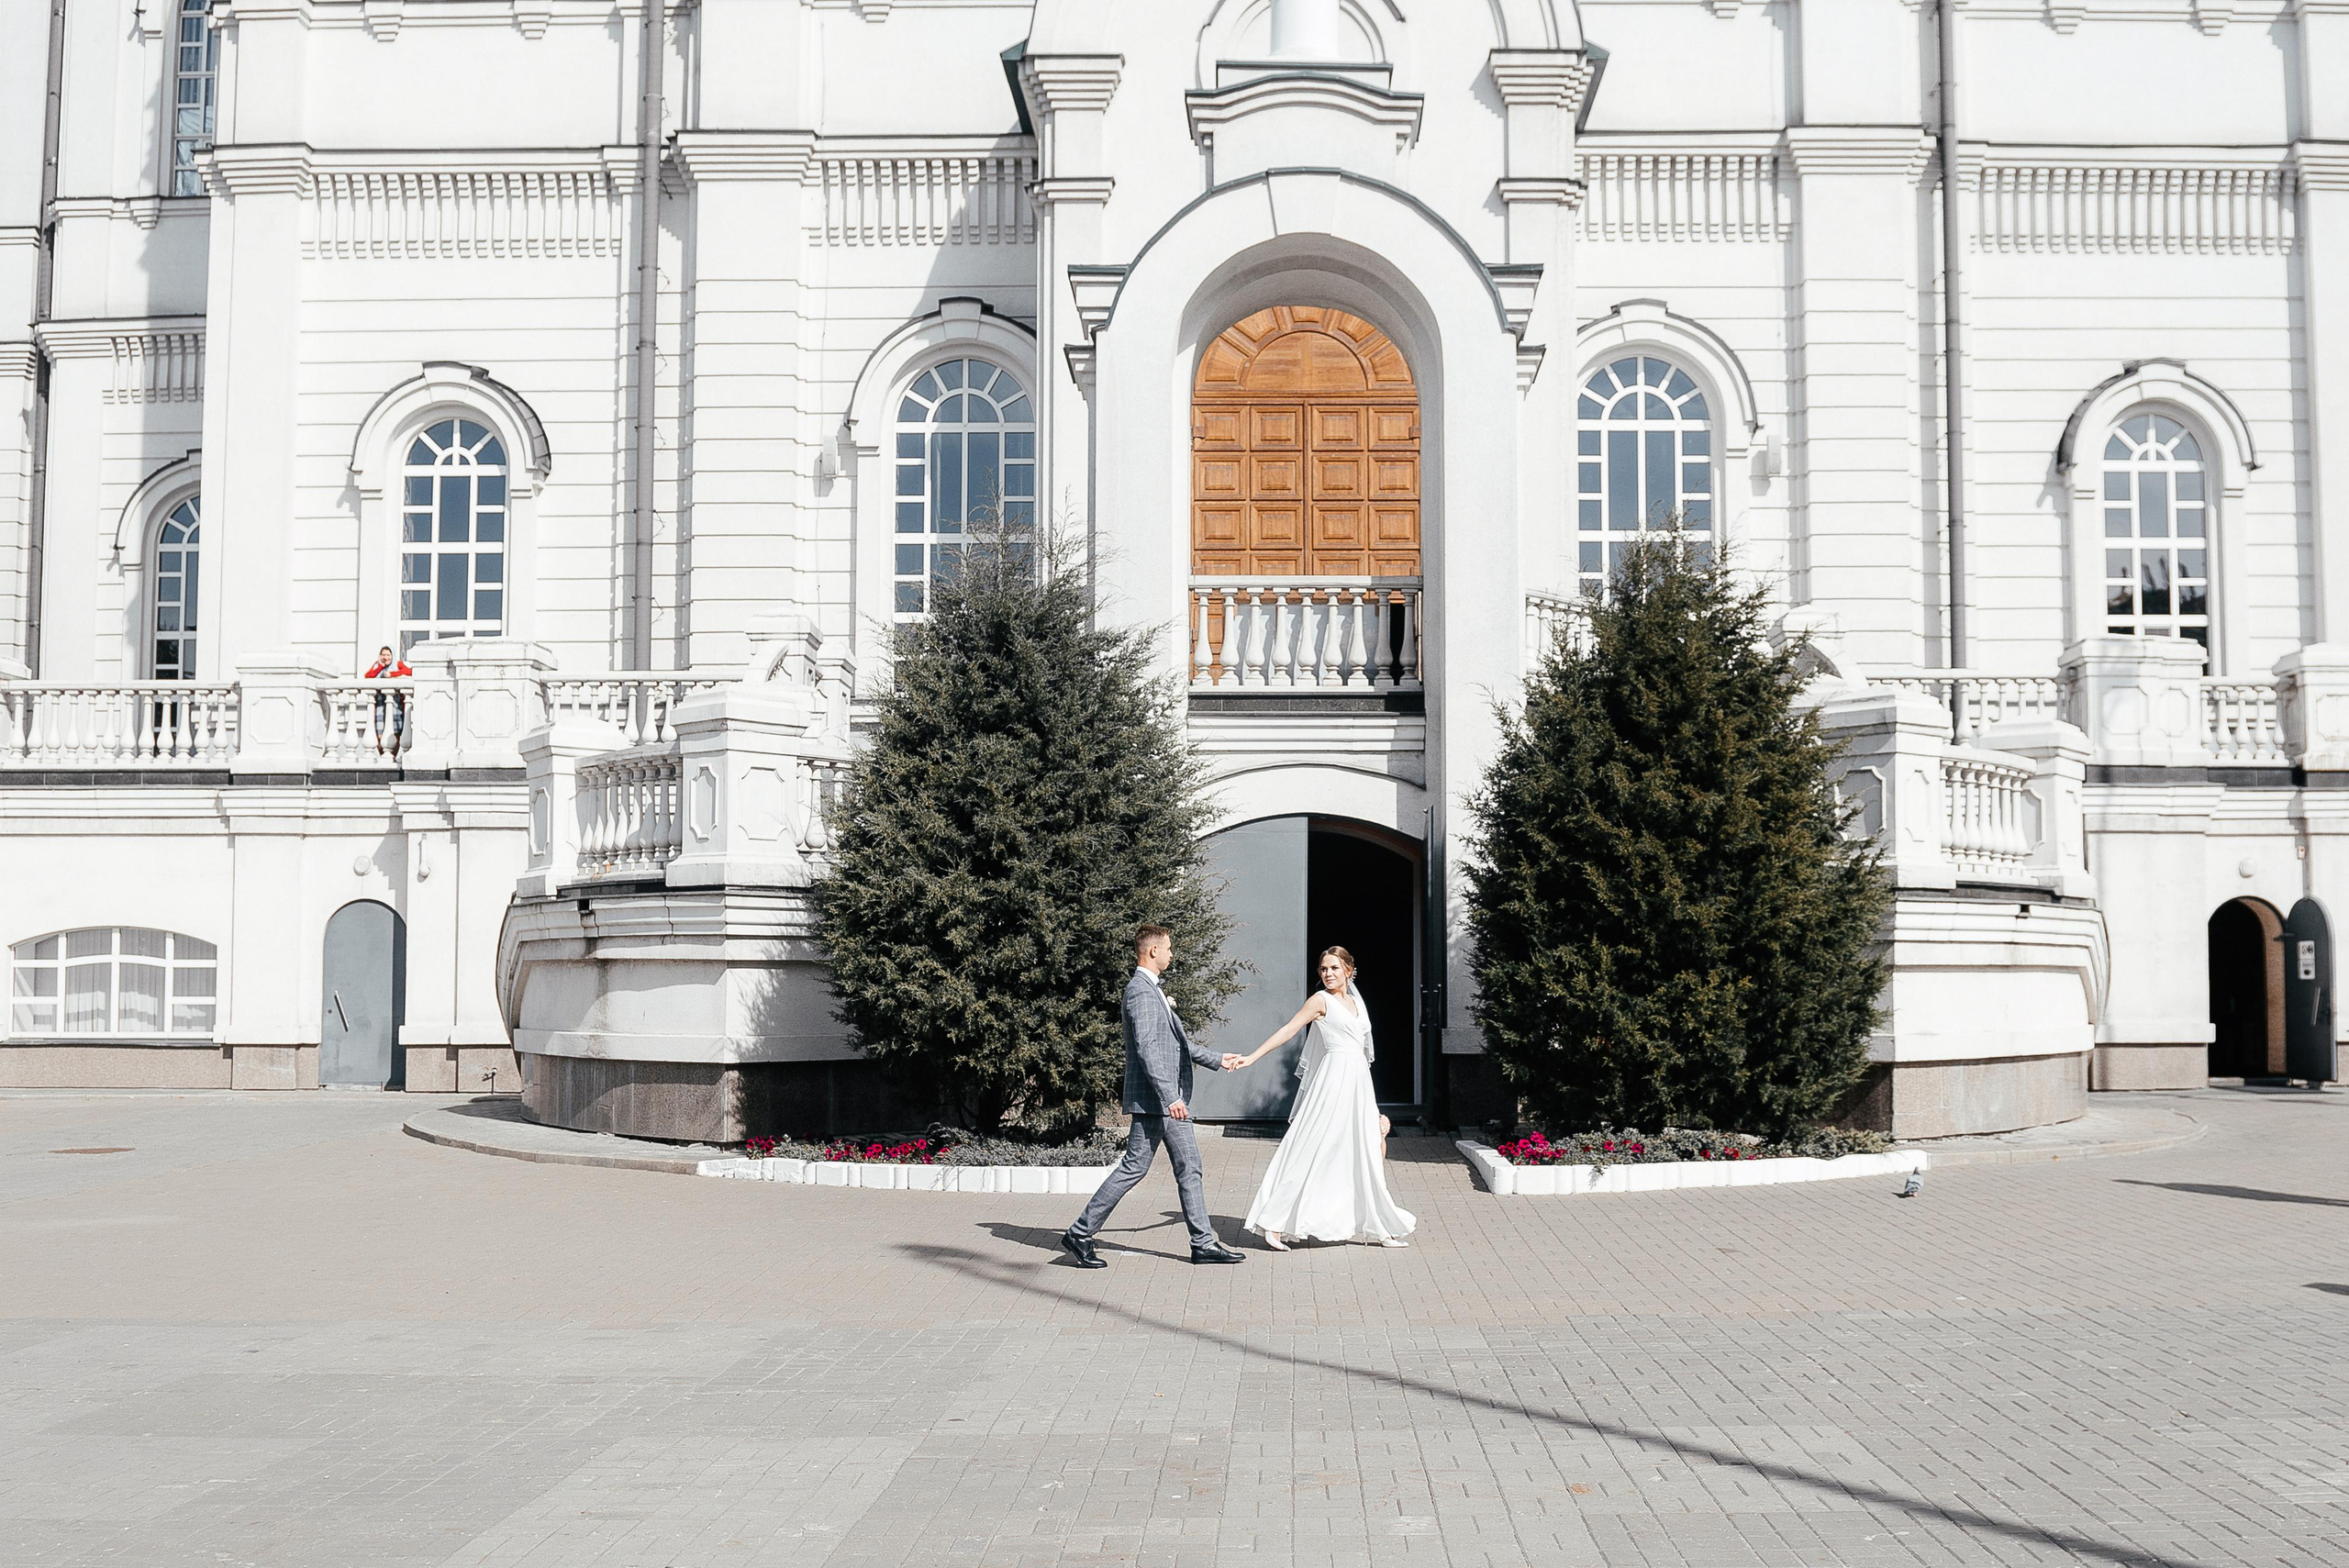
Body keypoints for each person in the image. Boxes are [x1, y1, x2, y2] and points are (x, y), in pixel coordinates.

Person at [1061, 925, 1250, 1268]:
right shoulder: (1141, 992)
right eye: (1168, 948)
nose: (1171, 954)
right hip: (1159, 1101)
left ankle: (1203, 1243)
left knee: (1188, 1167)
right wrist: (1169, 1097)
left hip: (1164, 1100)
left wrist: (1217, 1059)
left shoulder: (1150, 990)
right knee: (1136, 1168)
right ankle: (1080, 1233)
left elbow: (1174, 1044)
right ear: (1152, 952)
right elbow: (1148, 1049)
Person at [1233, 945, 1417, 1250]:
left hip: (1359, 1082)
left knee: (1368, 1147)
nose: (1327, 974)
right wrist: (1253, 1057)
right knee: (1310, 1145)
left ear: (1348, 969)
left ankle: (1381, 1227)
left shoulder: (1358, 1002)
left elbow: (1361, 1050)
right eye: (1323, 969)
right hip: (1333, 1081)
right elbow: (1289, 1030)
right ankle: (1273, 1223)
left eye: (1333, 968)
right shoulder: (1320, 1001)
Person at [364, 645, 413, 756]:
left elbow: (409, 671)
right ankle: (383, 756)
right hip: (380, 703)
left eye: (388, 655)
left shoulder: (398, 664)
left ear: (392, 655)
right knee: (379, 732)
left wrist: (392, 674)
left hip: (395, 704)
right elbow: (367, 676)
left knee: (395, 731)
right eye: (383, 654)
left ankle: (392, 757)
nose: (385, 657)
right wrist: (380, 668)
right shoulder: (377, 665)